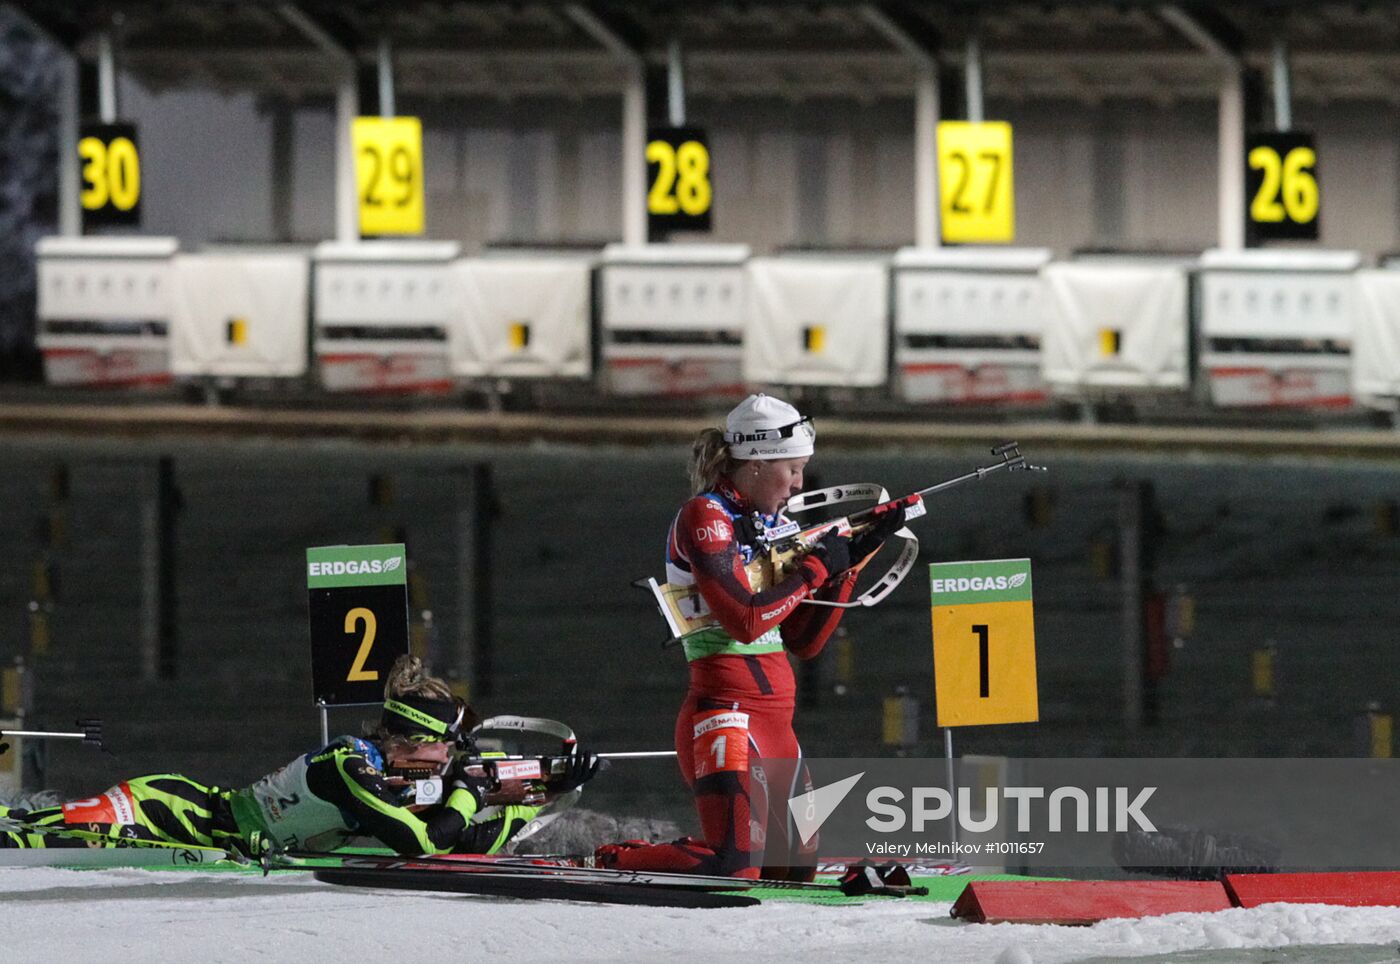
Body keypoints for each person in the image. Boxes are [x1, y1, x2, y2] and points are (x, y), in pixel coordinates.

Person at [597, 393, 903, 880]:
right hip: (724, 714)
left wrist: (852, 564)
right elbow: (744, 620)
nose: (798, 483)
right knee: (737, 866)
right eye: (794, 469)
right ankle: (616, 858)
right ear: (758, 462)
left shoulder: (777, 525)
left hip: (777, 722)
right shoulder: (705, 516)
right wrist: (813, 572)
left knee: (794, 870)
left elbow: (805, 642)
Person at [1, 655, 599, 858]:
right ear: (413, 740)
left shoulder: (397, 776)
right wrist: (471, 791)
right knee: (21, 840)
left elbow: (459, 845)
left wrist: (535, 798)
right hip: (170, 813)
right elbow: (420, 842)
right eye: (448, 748)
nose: (452, 760)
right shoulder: (350, 765)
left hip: (227, 840)